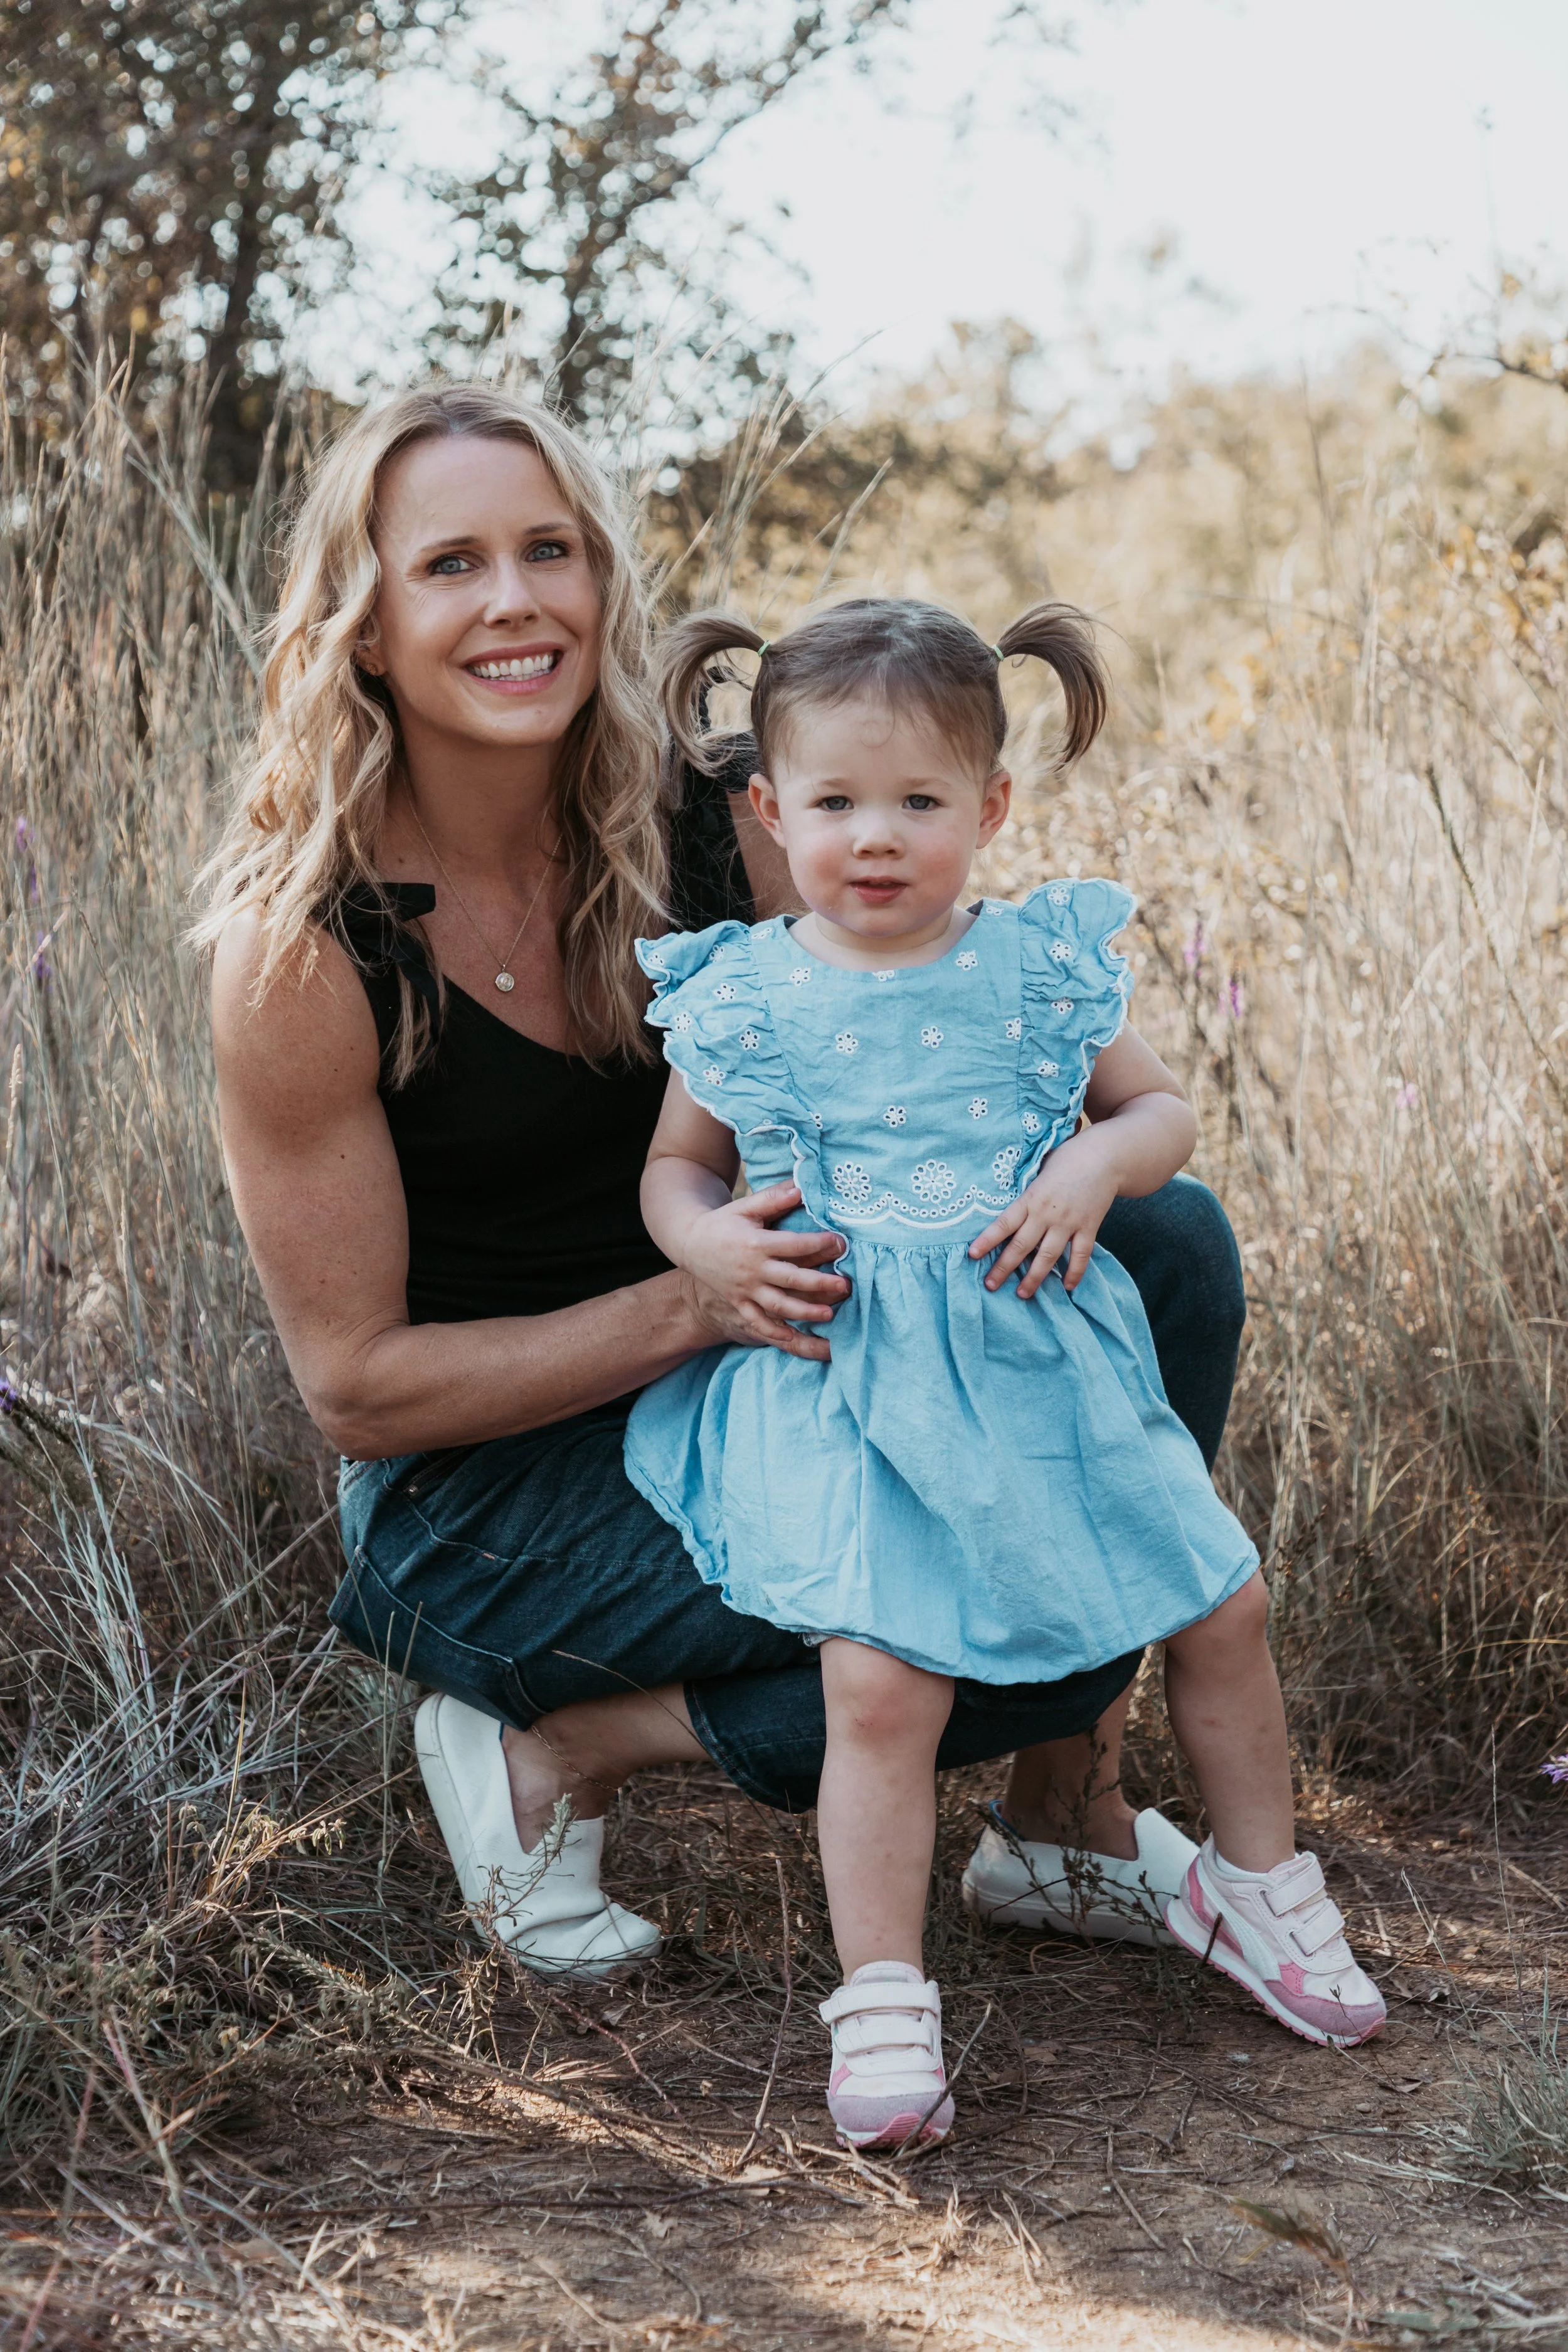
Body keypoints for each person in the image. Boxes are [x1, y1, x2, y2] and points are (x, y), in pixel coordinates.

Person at [199, 379, 1248, 1996]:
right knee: (912, 1637)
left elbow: (961, 1011)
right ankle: (553, 1740)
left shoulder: (714, 821)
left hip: (765, 1365)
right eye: (450, 565)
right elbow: (357, 1389)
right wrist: (692, 1301)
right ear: (361, 620)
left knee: (1158, 1246)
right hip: (491, 1493)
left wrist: (1088, 1156)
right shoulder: (305, 952)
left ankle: (1060, 1826)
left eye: (549, 550)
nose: (514, 602)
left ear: (603, 580)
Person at [627, 596, 1387, 2148]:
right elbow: (674, 1173)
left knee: (1218, 1599)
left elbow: (1161, 1115)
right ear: (768, 811)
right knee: (881, 1675)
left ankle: (1258, 1889)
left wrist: (1096, 1166)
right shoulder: (747, 994)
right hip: (840, 1375)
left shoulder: (1035, 967)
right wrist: (703, 1252)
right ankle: (884, 1994)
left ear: (991, 808)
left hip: (1033, 1354)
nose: (877, 838)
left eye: (919, 802)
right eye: (834, 803)